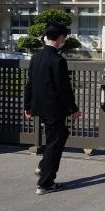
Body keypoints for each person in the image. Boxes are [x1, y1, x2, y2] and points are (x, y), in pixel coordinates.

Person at [24, 21, 81, 195]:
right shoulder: (58, 60)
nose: (64, 40)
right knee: (55, 142)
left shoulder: (36, 57)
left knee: (58, 136)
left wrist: (27, 105)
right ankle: (45, 183)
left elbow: (30, 84)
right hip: (54, 108)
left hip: (39, 106)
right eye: (64, 37)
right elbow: (64, 88)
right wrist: (73, 109)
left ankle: (43, 166)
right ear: (61, 37)